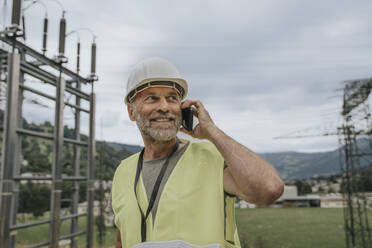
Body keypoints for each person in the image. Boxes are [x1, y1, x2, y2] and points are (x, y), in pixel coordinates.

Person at [112, 57, 284, 248]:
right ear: (131, 112)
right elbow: (122, 238)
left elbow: (269, 189)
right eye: (152, 98)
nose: (164, 107)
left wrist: (212, 131)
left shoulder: (213, 157)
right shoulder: (123, 171)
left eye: (172, 98)